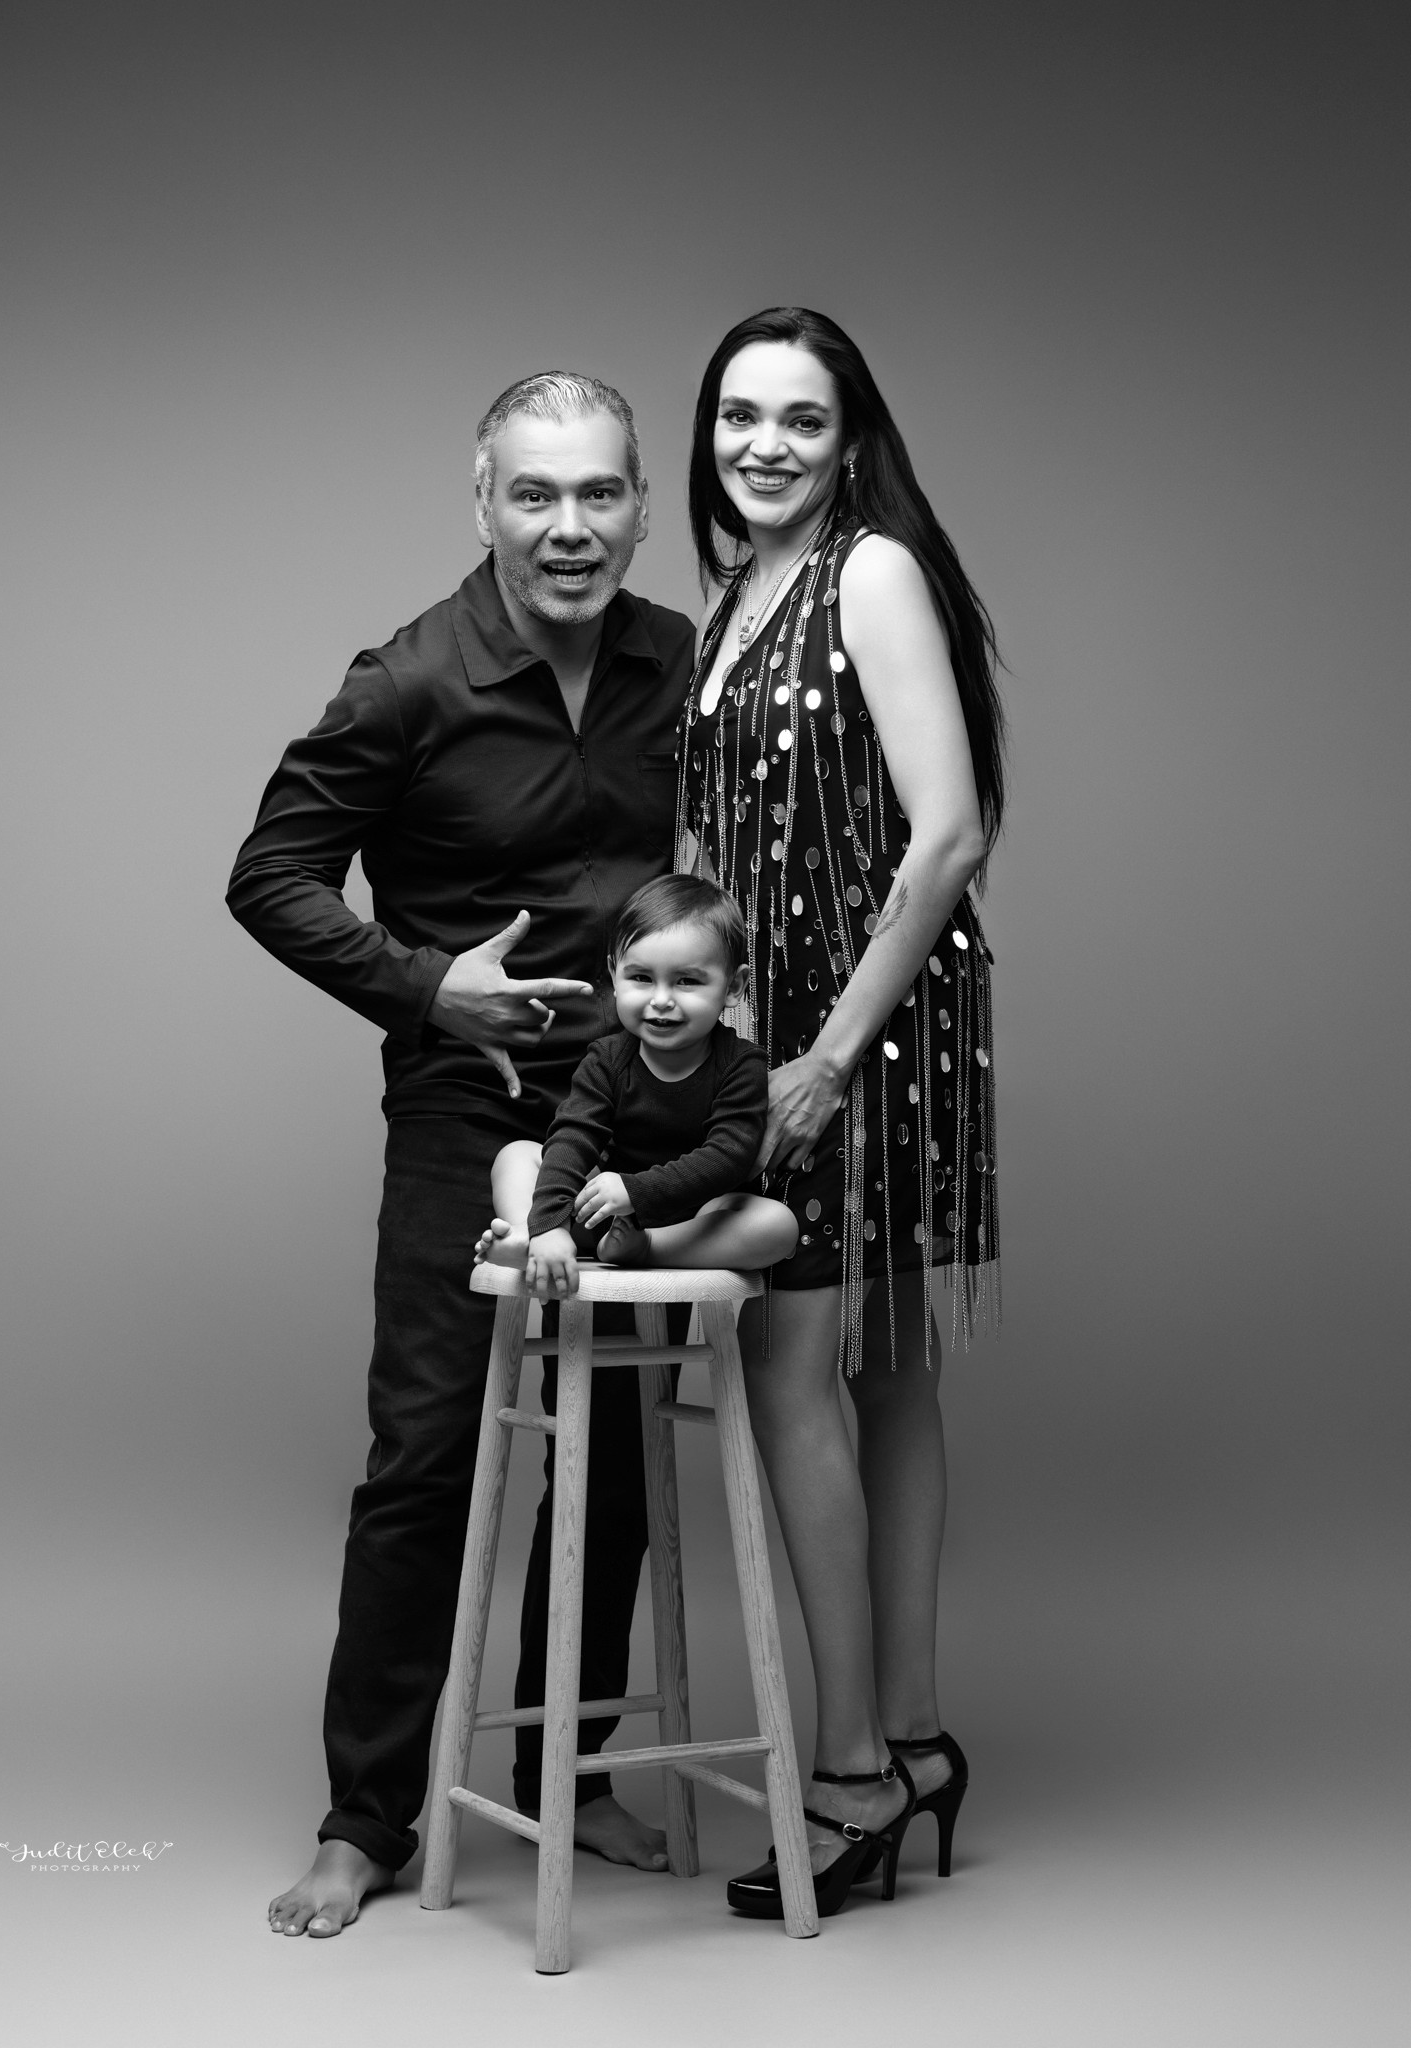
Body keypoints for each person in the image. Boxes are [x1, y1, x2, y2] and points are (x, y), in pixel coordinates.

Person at [227, 372, 698, 1937]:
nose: (570, 529)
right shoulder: (408, 681)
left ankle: (572, 1771)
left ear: (639, 501)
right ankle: (368, 1819)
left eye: (600, 495)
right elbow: (271, 876)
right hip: (468, 1105)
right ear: (481, 502)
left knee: (613, 1454)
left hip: (637, 1112)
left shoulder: (679, 664)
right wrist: (429, 985)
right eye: (535, 495)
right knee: (425, 1452)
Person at [674, 308, 1006, 1917]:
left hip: (871, 1013)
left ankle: (856, 1772)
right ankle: (920, 1738)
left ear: (849, 432)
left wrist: (822, 1056)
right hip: (782, 1023)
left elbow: (946, 834)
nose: (765, 446)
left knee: (808, 1358)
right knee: (879, 1370)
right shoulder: (729, 594)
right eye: (740, 417)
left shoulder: (867, 570)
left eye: (802, 420)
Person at [475, 873, 798, 1296]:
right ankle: (539, 1237)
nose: (660, 999)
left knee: (777, 1226)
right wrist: (552, 1218)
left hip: (692, 1224)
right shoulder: (607, 1059)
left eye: (687, 981)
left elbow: (728, 1156)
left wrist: (636, 1191)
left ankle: (647, 1249)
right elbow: (574, 1136)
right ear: (615, 974)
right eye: (642, 978)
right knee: (517, 1155)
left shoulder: (741, 1065)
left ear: (733, 987)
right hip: (601, 1215)